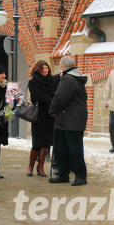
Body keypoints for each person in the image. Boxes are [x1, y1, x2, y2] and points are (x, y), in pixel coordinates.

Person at [48, 56, 88, 186]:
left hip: (70, 120)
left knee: (74, 149)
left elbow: (60, 97)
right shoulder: (76, 78)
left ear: (63, 67)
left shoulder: (68, 79)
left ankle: (80, 176)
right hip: (70, 120)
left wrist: (52, 109)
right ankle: (63, 174)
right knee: (63, 149)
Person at [27, 60, 56, 176]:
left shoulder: (52, 80)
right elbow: (35, 96)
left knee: (47, 142)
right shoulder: (33, 81)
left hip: (50, 113)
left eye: (47, 68)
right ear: (38, 69)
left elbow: (56, 93)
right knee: (37, 142)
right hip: (39, 113)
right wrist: (52, 101)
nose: (45, 70)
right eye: (43, 68)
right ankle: (30, 166)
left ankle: (40, 166)